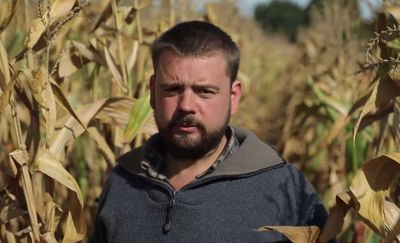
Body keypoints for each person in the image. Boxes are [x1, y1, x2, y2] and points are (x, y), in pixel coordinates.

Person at [92, 20, 328, 242]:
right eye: (172, 89)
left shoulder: (284, 189)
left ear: (233, 98)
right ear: (153, 92)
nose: (186, 105)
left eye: (204, 91)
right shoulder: (122, 181)